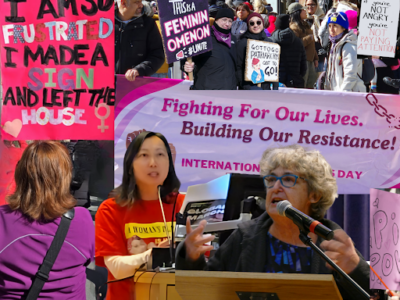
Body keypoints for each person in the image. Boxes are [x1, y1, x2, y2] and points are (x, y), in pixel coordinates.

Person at [176, 144, 370, 300]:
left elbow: (374, 294)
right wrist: (191, 258)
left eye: (287, 179)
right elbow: (206, 290)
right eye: (270, 179)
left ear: (314, 194)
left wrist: (355, 268)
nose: (275, 187)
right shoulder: (245, 236)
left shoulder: (332, 242)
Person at [95, 131, 184, 300]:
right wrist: (155, 254)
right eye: (144, 155)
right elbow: (116, 267)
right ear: (130, 165)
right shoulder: (111, 209)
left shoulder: (185, 204)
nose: (153, 163)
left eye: (160, 155)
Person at [0, 141, 94, 299]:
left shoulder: (3, 220)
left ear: (20, 174)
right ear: (65, 177)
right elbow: (87, 259)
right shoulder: (82, 220)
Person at [183, 9, 237, 90]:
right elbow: (189, 56)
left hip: (228, 90)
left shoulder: (234, 39)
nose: (227, 24)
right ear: (216, 20)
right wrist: (186, 66)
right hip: (207, 90)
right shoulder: (204, 37)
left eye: (230, 21)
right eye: (224, 20)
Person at [115, 0, 164, 81]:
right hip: (104, 88)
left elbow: (158, 55)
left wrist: (139, 70)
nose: (141, 5)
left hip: (136, 86)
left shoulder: (148, 24)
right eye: (137, 2)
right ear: (123, 3)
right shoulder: (104, 22)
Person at [324, 12, 366, 92]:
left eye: (335, 26)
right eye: (329, 26)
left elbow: (350, 75)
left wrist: (342, 95)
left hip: (349, 95)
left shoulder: (349, 45)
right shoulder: (334, 45)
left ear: (343, 28)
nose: (331, 29)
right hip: (338, 94)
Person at [236, 12, 278, 90]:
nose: (255, 25)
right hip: (248, 88)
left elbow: (274, 67)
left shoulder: (270, 43)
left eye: (258, 22)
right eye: (252, 23)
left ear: (263, 23)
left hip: (266, 88)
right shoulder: (242, 43)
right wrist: (244, 86)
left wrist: (275, 87)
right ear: (248, 26)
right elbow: (238, 67)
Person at [270, 14, 307, 88]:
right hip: (294, 83)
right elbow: (303, 67)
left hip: (275, 84)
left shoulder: (270, 42)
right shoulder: (298, 42)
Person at [289, 3, 319, 88]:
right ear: (297, 12)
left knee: (311, 85)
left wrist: (315, 58)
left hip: (310, 60)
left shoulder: (305, 24)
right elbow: (295, 45)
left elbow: (312, 44)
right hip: (302, 62)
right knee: (303, 86)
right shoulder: (293, 27)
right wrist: (308, 38)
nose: (305, 11)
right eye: (303, 10)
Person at [305, 0, 326, 73]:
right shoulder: (303, 20)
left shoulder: (323, 19)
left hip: (320, 52)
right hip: (308, 56)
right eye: (307, 5)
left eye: (312, 5)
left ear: (317, 5)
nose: (310, 7)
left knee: (319, 79)